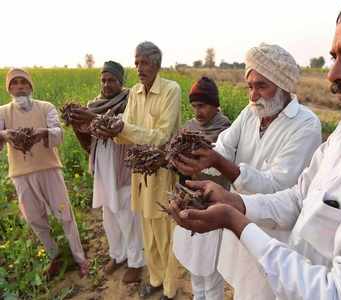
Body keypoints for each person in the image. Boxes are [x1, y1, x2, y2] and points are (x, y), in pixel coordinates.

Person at [170, 0, 341, 299]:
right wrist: (234, 200)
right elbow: (298, 197)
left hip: (282, 258)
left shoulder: (309, 126)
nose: (332, 75)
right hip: (272, 255)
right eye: (334, 57)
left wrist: (234, 216)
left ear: (281, 86)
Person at [173, 44, 321, 300]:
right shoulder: (250, 113)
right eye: (250, 86)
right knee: (243, 287)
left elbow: (278, 184)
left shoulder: (306, 125)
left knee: (264, 290)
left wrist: (218, 162)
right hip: (240, 222)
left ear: (283, 85)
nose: (253, 95)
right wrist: (198, 161)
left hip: (275, 232)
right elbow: (224, 147)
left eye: (262, 86)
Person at [94, 42, 181, 300]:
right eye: (136, 63)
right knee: (147, 231)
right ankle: (154, 279)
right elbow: (126, 134)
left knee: (165, 233)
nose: (139, 68)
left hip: (162, 171)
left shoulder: (170, 90)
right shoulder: (134, 92)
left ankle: (169, 288)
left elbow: (163, 136)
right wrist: (112, 130)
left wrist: (122, 130)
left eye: (144, 62)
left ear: (156, 64)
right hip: (139, 173)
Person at [0, 68, 88, 278]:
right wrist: (5, 134)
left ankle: (80, 258)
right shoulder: (3, 112)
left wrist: (43, 133)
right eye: (15, 83)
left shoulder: (45, 107)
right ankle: (55, 256)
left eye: (24, 83)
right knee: (34, 219)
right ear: (9, 88)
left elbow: (58, 132)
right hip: (21, 174)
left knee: (65, 214)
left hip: (49, 169)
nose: (20, 86)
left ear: (31, 87)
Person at [69, 61, 145, 283]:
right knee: (109, 216)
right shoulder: (93, 105)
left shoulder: (130, 101)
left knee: (128, 216)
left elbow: (126, 128)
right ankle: (117, 255)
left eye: (111, 80)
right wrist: (76, 122)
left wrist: (92, 119)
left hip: (121, 165)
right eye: (103, 79)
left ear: (121, 82)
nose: (107, 84)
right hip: (103, 164)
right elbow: (87, 138)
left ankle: (136, 262)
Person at [173, 77, 231, 300]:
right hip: (191, 202)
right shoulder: (188, 129)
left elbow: (227, 169)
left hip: (215, 207)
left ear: (215, 105)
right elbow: (181, 172)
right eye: (194, 106)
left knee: (211, 268)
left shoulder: (227, 131)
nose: (198, 111)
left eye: (203, 105)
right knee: (194, 263)